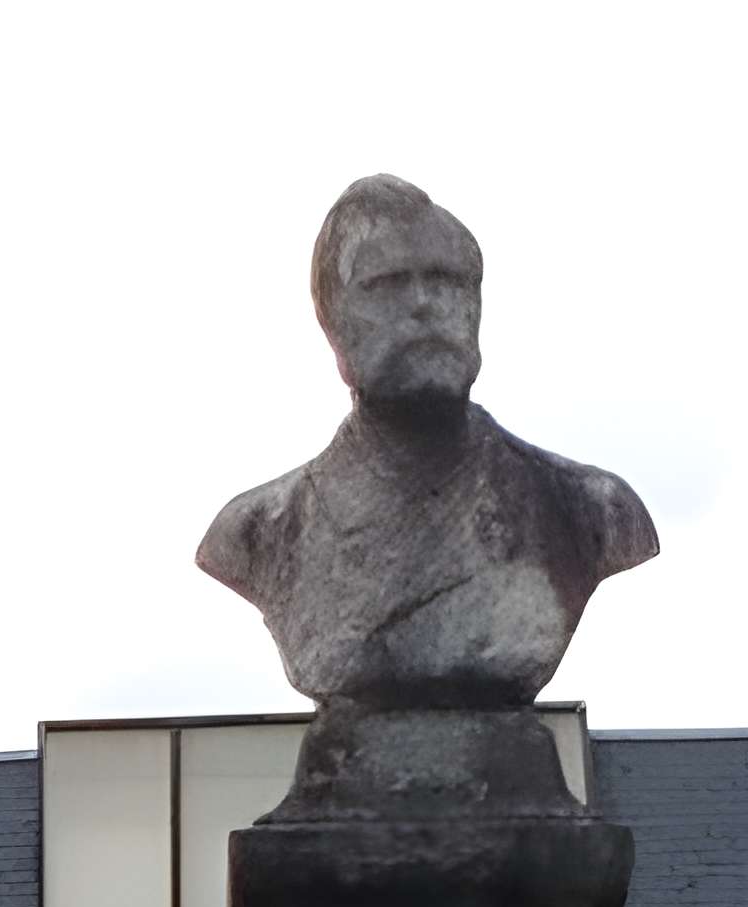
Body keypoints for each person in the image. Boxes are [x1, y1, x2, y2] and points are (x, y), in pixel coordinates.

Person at [197, 174, 656, 707]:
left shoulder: (587, 510)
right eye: (386, 285)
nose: (423, 305)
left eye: (447, 282)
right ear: (331, 322)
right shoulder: (258, 532)